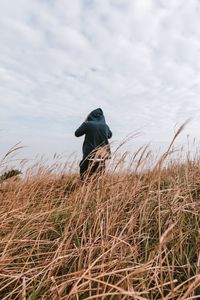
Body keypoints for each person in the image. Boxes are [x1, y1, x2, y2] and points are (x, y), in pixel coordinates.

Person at [75, 108, 112, 180]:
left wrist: (84, 122)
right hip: (102, 156)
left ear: (91, 116)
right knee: (98, 180)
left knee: (85, 179)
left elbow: (77, 133)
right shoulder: (105, 126)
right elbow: (110, 135)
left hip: (89, 155)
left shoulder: (87, 124)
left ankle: (85, 190)